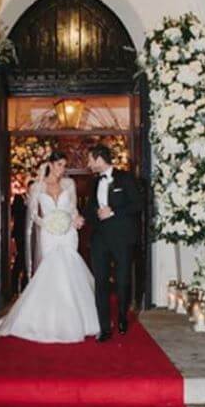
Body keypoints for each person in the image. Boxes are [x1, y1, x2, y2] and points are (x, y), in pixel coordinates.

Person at [0, 151, 100, 343]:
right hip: (49, 234)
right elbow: (33, 216)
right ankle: (46, 320)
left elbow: (73, 208)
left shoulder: (68, 184)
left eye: (64, 166)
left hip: (67, 234)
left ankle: (78, 320)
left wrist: (76, 219)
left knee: (70, 272)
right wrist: (47, 223)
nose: (62, 170)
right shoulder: (37, 187)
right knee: (52, 273)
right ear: (50, 164)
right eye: (59, 165)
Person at [86, 144, 143, 342]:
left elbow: (138, 204)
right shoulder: (93, 183)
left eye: (90, 160)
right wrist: (95, 213)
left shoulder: (125, 178)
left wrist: (113, 211)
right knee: (100, 282)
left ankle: (121, 316)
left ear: (100, 159)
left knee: (122, 281)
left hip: (122, 237)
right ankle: (104, 327)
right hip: (100, 238)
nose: (88, 164)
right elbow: (89, 208)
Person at [10, 180, 34, 296]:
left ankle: (26, 286)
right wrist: (25, 206)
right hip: (20, 234)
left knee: (27, 260)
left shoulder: (35, 200)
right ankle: (13, 286)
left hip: (31, 234)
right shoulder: (19, 197)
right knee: (21, 258)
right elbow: (13, 212)